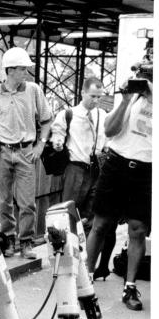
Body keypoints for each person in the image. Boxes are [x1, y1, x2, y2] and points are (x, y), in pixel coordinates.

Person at [83, 63, 153, 311]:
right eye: (141, 78)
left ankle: (130, 286)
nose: (143, 84)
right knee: (100, 224)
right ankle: (86, 280)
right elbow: (110, 130)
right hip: (117, 164)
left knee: (138, 229)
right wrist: (125, 100)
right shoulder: (130, 100)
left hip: (146, 169)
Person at [0, 47, 52, 260]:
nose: (26, 73)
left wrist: (41, 145)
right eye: (22, 69)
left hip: (26, 151)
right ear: (10, 70)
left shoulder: (33, 90)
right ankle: (8, 239)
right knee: (4, 201)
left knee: (26, 201)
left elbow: (47, 120)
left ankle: (27, 242)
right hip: (1, 152)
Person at [49, 77, 107, 232]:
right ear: (83, 93)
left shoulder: (103, 115)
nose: (95, 100)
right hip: (76, 169)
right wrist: (58, 142)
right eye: (92, 96)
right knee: (69, 211)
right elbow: (57, 132)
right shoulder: (68, 114)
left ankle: (87, 249)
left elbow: (107, 139)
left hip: (97, 170)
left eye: (99, 97)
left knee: (92, 213)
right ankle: (69, 248)